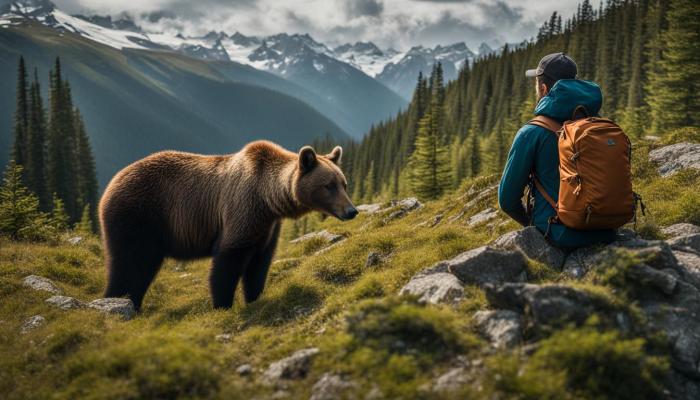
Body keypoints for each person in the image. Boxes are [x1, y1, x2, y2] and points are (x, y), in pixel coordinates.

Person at [498, 52, 616, 249]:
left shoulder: (532, 132)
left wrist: (531, 225)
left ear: (543, 88)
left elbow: (507, 200)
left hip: (561, 233)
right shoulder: (599, 124)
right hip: (608, 229)